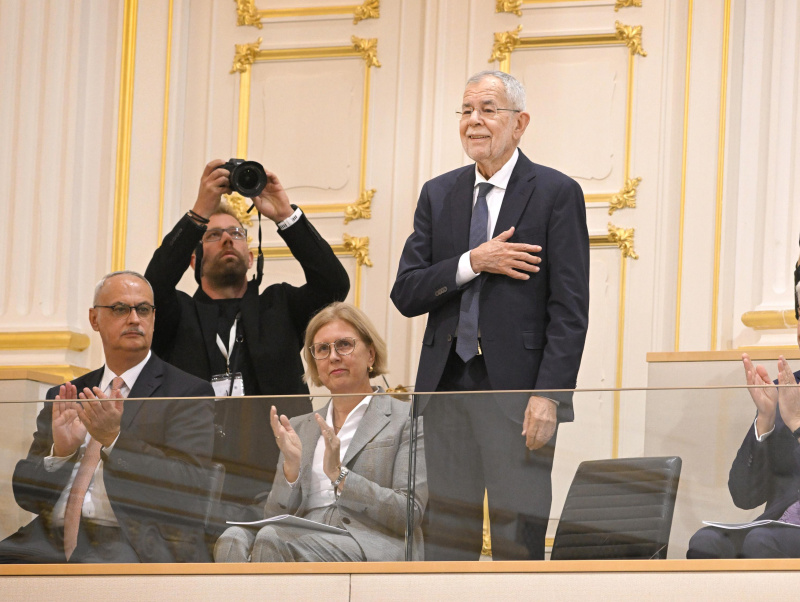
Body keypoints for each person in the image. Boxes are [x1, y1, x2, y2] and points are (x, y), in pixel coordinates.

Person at [390, 70, 589, 560]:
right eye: (466, 110)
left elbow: (570, 310)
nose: (473, 121)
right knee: (445, 541)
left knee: (516, 540)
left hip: (519, 396)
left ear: (519, 123)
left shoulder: (555, 192)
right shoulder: (439, 194)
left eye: (487, 109)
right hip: (445, 392)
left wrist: (549, 395)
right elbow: (407, 293)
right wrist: (471, 262)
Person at [144, 161, 350, 526]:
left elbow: (334, 285)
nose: (227, 239)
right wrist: (200, 211)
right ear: (193, 259)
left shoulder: (278, 304)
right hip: (192, 476)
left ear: (251, 256)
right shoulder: (176, 312)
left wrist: (284, 213)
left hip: (276, 470)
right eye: (212, 235)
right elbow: (152, 288)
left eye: (237, 233)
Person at [0, 271, 215, 563]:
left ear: (153, 317)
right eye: (119, 309)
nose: (134, 319)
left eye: (143, 309)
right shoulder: (68, 394)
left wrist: (115, 440)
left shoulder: (186, 392)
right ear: (94, 319)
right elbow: (27, 498)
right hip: (49, 538)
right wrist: (61, 454)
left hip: (133, 539)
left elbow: (190, 487)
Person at [214, 302, 427, 562]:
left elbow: (409, 512)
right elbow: (273, 513)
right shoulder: (301, 426)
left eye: (344, 345)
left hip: (368, 541)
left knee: (272, 538)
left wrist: (341, 476)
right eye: (322, 349)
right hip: (299, 534)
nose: (334, 356)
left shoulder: (405, 419)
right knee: (231, 538)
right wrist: (290, 472)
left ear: (370, 354)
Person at [687, 288, 800, 558]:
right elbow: (744, 496)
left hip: (775, 535)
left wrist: (796, 422)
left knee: (761, 541)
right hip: (777, 524)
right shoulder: (786, 389)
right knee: (706, 542)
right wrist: (765, 420)